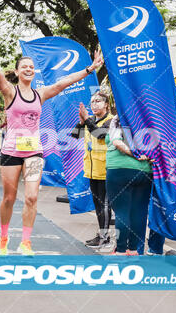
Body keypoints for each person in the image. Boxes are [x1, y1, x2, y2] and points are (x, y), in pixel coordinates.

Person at [0, 31, 103, 256]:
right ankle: (4, 237)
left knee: (32, 196)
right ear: (17, 71)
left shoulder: (40, 94)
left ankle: (26, 242)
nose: (28, 68)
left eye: (31, 66)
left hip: (33, 152)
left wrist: (90, 69)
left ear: (34, 72)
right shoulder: (9, 92)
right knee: (9, 198)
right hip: (11, 152)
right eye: (24, 66)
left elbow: (64, 82)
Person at [105, 115, 165, 255]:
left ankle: (120, 251)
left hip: (120, 169)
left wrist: (136, 154)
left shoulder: (119, 117)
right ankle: (133, 250)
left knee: (121, 212)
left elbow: (117, 143)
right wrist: (147, 155)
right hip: (145, 171)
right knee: (139, 212)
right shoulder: (150, 115)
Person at [70, 92, 113, 249]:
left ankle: (105, 237)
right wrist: (81, 122)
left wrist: (87, 120)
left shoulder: (111, 120)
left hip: (106, 169)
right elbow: (75, 136)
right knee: (98, 204)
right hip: (92, 169)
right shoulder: (91, 121)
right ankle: (102, 235)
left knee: (105, 204)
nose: (94, 104)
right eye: (92, 102)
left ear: (106, 104)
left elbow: (100, 135)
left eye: (98, 101)